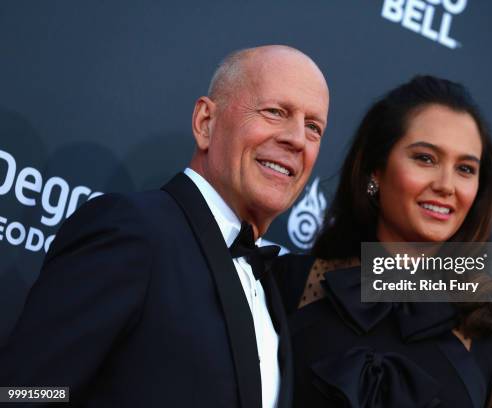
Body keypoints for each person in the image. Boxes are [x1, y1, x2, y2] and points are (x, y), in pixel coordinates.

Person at [0, 45, 329, 407]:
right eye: (274, 112)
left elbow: (372, 277)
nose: (297, 139)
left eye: (313, 127)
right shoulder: (132, 230)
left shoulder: (272, 284)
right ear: (205, 122)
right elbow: (22, 392)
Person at [274, 76, 492, 407]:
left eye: (465, 169)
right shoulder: (289, 284)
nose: (446, 185)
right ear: (376, 170)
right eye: (425, 159)